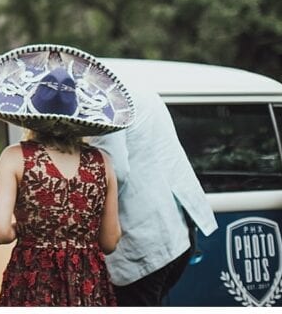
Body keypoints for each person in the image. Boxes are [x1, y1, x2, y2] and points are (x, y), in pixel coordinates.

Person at [0, 45, 136, 307]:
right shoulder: (103, 162)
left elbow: (0, 232)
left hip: (33, 278)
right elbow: (109, 241)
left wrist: (26, 230)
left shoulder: (15, 157)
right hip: (88, 280)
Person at [90, 82, 218, 306]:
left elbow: (114, 172)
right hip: (177, 230)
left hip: (142, 241)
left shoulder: (103, 102)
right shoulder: (136, 86)